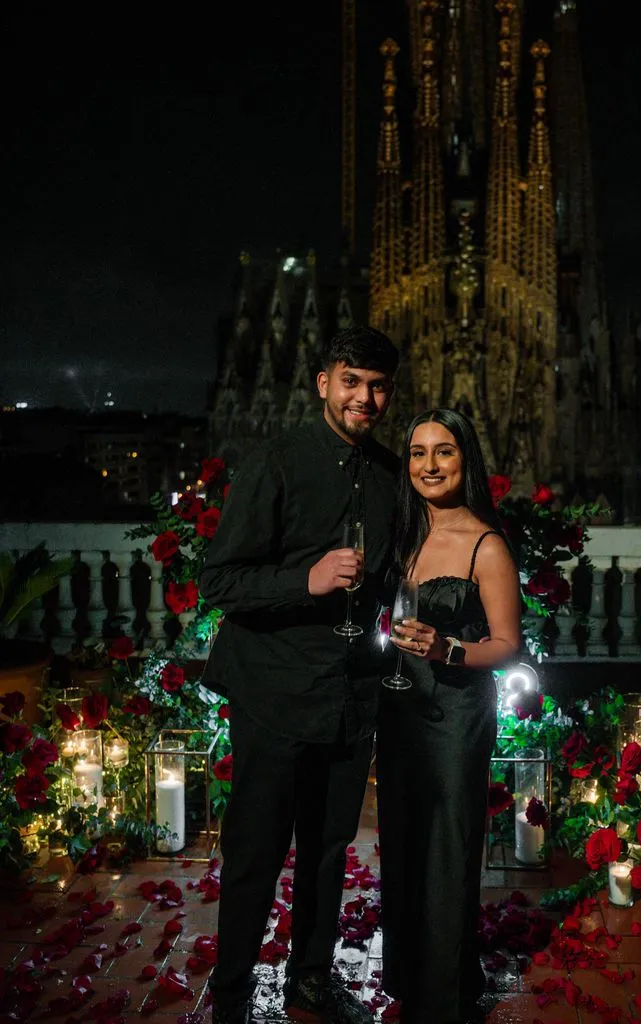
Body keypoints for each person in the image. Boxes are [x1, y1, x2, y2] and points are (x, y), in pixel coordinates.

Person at [199, 325, 400, 1024]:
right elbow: (218, 581)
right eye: (351, 382)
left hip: (349, 689)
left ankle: (308, 979)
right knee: (256, 852)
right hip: (274, 690)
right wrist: (305, 580)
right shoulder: (276, 463)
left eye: (376, 386)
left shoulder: (386, 473)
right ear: (324, 383)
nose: (363, 398)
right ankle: (229, 997)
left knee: (327, 848)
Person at [376, 408, 521, 1024]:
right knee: (405, 841)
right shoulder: (405, 535)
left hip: (455, 716)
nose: (428, 466)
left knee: (447, 847)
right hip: (402, 708)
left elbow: (508, 644)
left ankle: (445, 993)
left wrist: (449, 648)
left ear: (466, 460)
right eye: (416, 453)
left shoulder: (487, 544)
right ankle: (413, 975)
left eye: (443, 453)